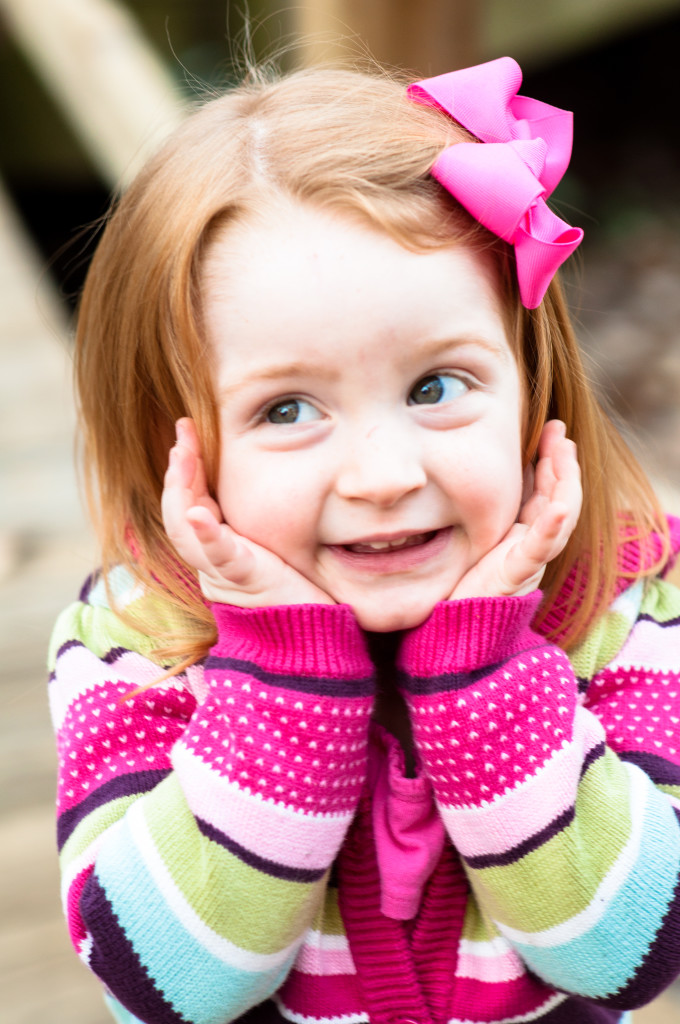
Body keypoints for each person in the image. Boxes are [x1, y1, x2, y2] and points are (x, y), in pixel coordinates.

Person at [48, 56, 680, 1024]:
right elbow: (170, 984)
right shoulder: (133, 641)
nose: (382, 474)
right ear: (165, 438)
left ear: (531, 386)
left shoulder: (625, 604)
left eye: (435, 387)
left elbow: (624, 952)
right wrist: (284, 670)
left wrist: (484, 665)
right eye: (287, 407)